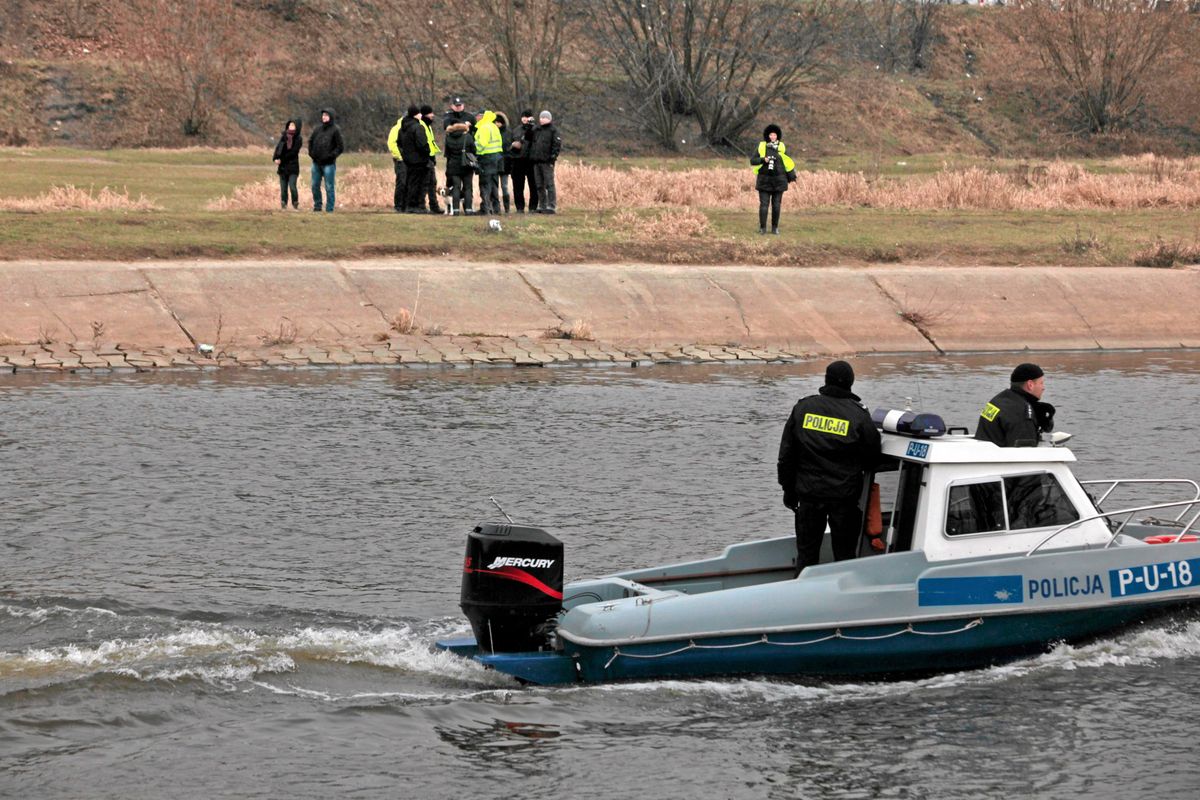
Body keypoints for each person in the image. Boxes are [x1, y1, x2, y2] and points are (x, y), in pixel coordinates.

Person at [777, 360, 881, 576]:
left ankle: (801, 597)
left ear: (826, 380)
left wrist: (788, 490)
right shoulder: (858, 415)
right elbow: (872, 456)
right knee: (844, 556)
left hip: (808, 496)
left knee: (806, 555)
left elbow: (787, 456)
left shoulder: (803, 408)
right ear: (851, 383)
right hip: (844, 499)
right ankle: (843, 600)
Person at [974, 363, 1055, 447]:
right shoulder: (1022, 413)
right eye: (1041, 383)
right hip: (998, 457)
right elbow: (1026, 453)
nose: (1043, 387)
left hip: (984, 451)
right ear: (1030, 385)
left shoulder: (999, 399)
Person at [749, 124, 796, 235]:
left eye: (774, 134)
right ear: (767, 135)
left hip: (779, 181)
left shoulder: (782, 148)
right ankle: (763, 228)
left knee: (776, 205)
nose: (772, 136)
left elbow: (788, 163)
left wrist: (791, 175)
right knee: (764, 205)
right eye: (771, 134)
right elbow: (752, 161)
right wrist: (763, 159)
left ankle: (775, 228)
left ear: (777, 136)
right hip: (764, 180)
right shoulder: (761, 146)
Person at [307, 108, 344, 212]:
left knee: (329, 187)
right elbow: (310, 141)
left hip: (329, 164)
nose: (324, 117)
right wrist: (311, 153)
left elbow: (340, 147)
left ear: (331, 117)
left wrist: (331, 156)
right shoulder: (317, 129)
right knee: (315, 186)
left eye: (326, 115)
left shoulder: (335, 130)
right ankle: (317, 206)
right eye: (323, 115)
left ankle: (329, 208)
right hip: (316, 163)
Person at [443, 110, 476, 215]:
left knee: (456, 188)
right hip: (466, 165)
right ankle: (468, 209)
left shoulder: (448, 138)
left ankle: (456, 210)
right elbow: (474, 151)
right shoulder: (468, 137)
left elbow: (447, 154)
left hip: (453, 166)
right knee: (467, 187)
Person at [529, 110, 561, 214]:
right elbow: (528, 138)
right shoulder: (536, 129)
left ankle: (551, 205)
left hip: (547, 162)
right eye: (541, 117)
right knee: (539, 185)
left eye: (545, 118)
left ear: (549, 119)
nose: (542, 119)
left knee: (549, 184)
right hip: (536, 161)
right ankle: (542, 205)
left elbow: (557, 145)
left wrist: (552, 159)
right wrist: (529, 126)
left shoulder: (553, 130)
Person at [399, 105, 430, 213]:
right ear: (415, 115)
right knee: (417, 184)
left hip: (407, 160)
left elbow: (399, 143)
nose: (421, 115)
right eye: (419, 113)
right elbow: (422, 144)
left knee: (408, 183)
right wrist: (427, 153)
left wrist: (405, 155)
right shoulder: (418, 127)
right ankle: (414, 206)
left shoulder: (403, 128)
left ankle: (405, 205)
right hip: (419, 160)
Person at [473, 109, 504, 215]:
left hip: (486, 158)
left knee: (485, 184)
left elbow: (481, 144)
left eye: (477, 116)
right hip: (497, 159)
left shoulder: (484, 127)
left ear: (481, 117)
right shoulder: (493, 126)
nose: (476, 118)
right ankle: (496, 208)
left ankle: (486, 209)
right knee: (494, 184)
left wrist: (474, 152)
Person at [509, 109, 538, 213]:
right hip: (518, 160)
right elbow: (510, 144)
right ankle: (520, 208)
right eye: (524, 116)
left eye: (528, 116)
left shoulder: (536, 129)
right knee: (517, 186)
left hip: (531, 161)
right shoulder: (516, 130)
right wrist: (513, 147)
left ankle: (533, 207)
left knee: (533, 186)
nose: (525, 118)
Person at [272, 119, 302, 210]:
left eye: (293, 125)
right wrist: (275, 158)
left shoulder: (298, 138)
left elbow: (293, 152)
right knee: (283, 189)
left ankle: (295, 204)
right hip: (282, 168)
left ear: (297, 127)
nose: (291, 127)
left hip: (293, 167)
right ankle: (283, 205)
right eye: (290, 125)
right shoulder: (283, 136)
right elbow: (278, 149)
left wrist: (282, 159)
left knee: (292, 187)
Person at [420, 105, 443, 214]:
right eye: (430, 113)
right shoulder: (422, 126)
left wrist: (433, 157)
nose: (432, 115)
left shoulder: (428, 126)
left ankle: (434, 206)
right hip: (425, 159)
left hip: (430, 158)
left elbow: (431, 143)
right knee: (425, 183)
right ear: (425, 115)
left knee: (432, 183)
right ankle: (422, 206)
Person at [386, 109, 408, 212]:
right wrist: (399, 157)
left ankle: (407, 205)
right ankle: (399, 205)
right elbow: (391, 144)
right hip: (401, 160)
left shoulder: (410, 128)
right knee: (401, 182)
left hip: (410, 159)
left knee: (409, 182)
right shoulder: (396, 128)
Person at [495, 111, 513, 214]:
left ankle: (507, 208)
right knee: (495, 186)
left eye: (498, 122)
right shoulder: (493, 131)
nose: (496, 124)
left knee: (504, 186)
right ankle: (496, 207)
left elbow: (509, 149)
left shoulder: (508, 133)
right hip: (495, 162)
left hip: (505, 163)